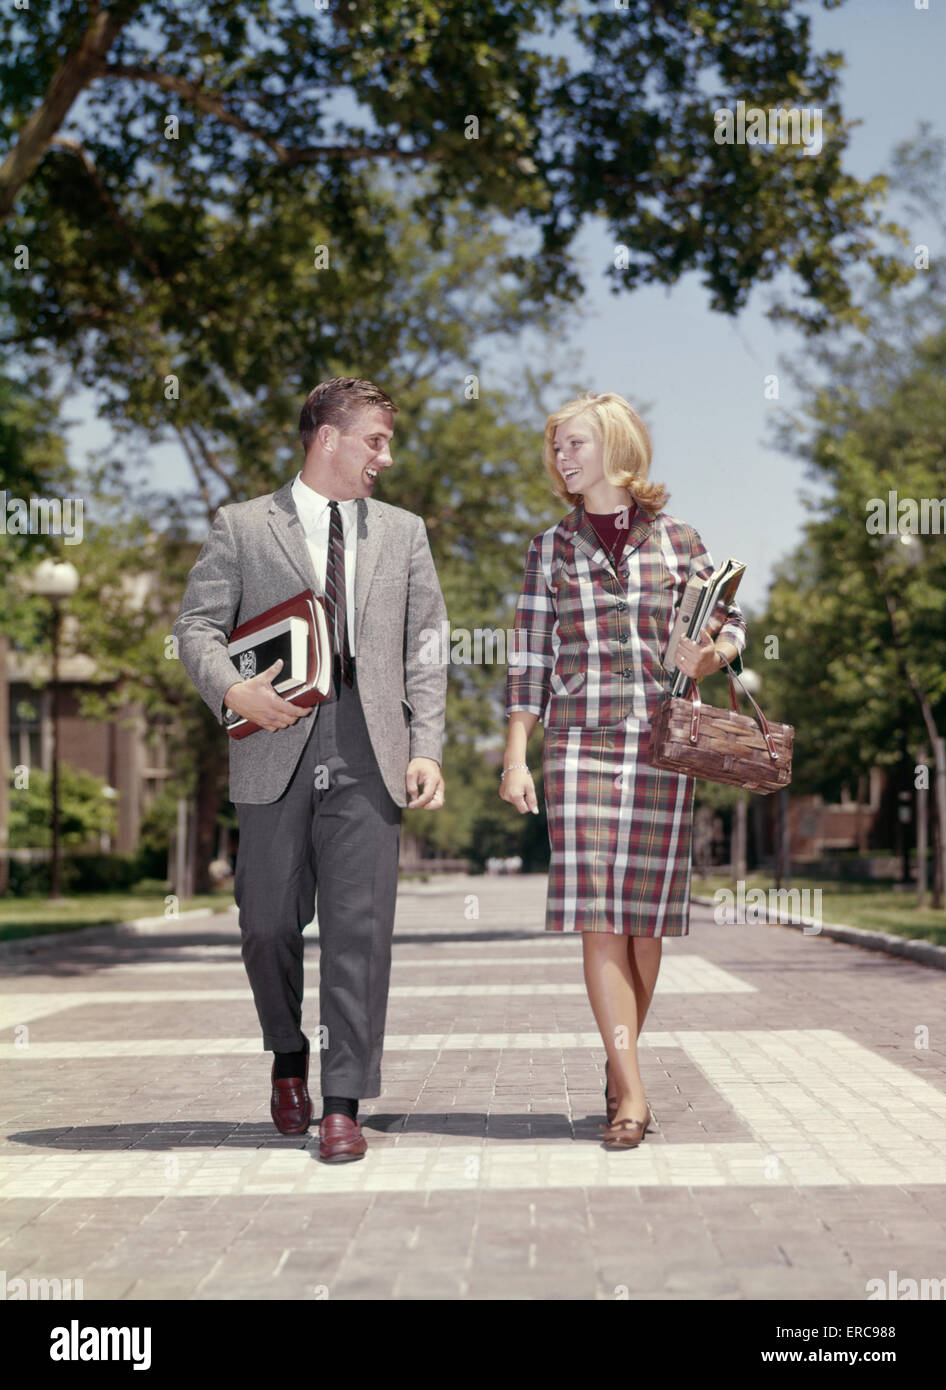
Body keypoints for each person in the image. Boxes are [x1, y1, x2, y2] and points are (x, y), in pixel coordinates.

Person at [172, 377, 448, 1163]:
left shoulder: (404, 533)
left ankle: (342, 1102)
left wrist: (425, 744)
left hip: (369, 742)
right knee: (265, 923)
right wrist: (232, 689)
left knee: (359, 931)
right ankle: (285, 1051)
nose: (385, 458)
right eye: (376, 440)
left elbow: (427, 645)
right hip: (274, 736)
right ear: (328, 436)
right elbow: (195, 627)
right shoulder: (242, 526)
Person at [501, 392, 747, 1150]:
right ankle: (632, 1091)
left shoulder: (680, 541)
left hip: (660, 743)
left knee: (645, 926)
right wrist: (516, 755)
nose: (562, 458)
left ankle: (620, 1054)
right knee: (599, 917)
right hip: (577, 745)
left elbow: (730, 626)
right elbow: (528, 657)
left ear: (615, 447)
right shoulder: (549, 549)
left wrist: (709, 654)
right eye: (557, 448)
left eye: (575, 444)